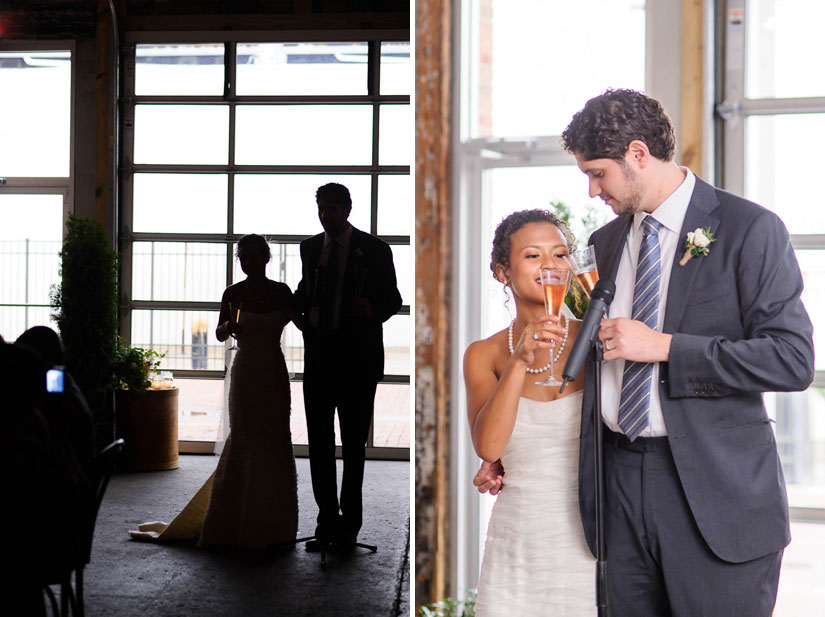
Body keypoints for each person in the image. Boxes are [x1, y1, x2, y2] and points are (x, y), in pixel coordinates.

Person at [478, 89, 815, 616]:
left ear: (637, 154)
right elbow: (586, 361)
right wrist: (508, 454)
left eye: (597, 173)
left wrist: (665, 348)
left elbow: (791, 359)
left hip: (715, 495)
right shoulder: (606, 244)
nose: (591, 191)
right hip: (616, 494)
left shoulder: (750, 229)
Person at [130, 234, 301, 548]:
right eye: (243, 257)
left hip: (273, 374)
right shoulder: (233, 293)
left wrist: (297, 309)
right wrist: (228, 328)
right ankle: (235, 517)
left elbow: (302, 324)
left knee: (275, 438)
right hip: (246, 371)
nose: (249, 262)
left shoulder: (281, 291)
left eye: (254, 256)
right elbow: (220, 332)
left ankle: (274, 523)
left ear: (267, 257)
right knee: (245, 438)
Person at [465, 209, 594, 615]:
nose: (551, 266)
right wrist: (519, 362)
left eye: (559, 255)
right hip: (517, 539)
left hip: (590, 539)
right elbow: (489, 446)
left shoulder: (597, 339)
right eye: (533, 256)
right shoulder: (483, 354)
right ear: (503, 272)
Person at [295, 182, 402, 550]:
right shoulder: (310, 249)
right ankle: (326, 522)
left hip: (358, 362)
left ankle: (349, 527)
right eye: (321, 209)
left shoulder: (374, 249)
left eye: (332, 209)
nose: (325, 216)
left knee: (353, 447)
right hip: (320, 360)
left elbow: (393, 298)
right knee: (320, 445)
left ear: (347, 210)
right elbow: (304, 293)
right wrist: (297, 316)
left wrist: (372, 308)